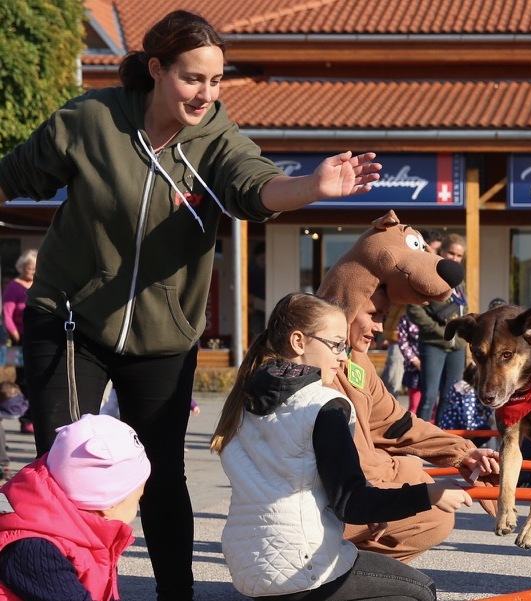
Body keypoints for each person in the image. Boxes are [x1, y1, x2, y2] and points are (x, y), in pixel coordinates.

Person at [0, 11, 382, 600]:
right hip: (70, 318)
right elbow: (14, 176)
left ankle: (175, 594)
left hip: (163, 334)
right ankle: (56, 586)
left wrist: (311, 187)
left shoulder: (216, 139)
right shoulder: (91, 121)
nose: (206, 93)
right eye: (192, 78)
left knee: (159, 473)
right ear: (156, 70)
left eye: (216, 80)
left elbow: (256, 187)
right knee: (67, 464)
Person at [212, 292, 472, 600]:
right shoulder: (324, 405)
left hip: (249, 569)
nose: (343, 357)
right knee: (421, 591)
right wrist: (431, 493)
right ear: (298, 341)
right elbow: (352, 503)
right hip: (302, 569)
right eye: (335, 344)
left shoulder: (244, 401)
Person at [0, 413, 150, 601]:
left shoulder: (73, 531)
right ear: (107, 506)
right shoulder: (37, 552)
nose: (137, 506)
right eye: (137, 498)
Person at [408, 233, 468, 423]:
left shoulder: (459, 279)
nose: (455, 259)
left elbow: (463, 308)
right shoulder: (429, 273)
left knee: (450, 397)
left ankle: (441, 438)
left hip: (456, 347)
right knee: (429, 396)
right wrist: (439, 330)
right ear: (441, 251)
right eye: (451, 253)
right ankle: (419, 439)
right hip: (433, 343)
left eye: (459, 256)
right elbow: (413, 309)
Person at [3, 249, 36, 434]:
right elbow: (6, 315)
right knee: (21, 379)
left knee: (35, 379)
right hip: (18, 339)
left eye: (34, 268)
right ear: (21, 267)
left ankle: (32, 417)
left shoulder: (38, 284)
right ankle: (24, 420)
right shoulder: (14, 286)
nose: (32, 271)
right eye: (29, 267)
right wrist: (16, 336)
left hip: (35, 337)